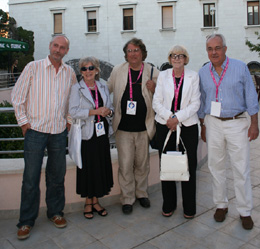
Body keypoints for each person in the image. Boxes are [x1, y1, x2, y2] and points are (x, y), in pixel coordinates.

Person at [11, 35, 77, 240]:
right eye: (55, 46)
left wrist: (68, 120)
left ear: (66, 51)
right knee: (30, 179)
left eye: (62, 47)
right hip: (35, 132)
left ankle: (55, 213)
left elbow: (72, 101)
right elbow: (17, 97)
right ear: (50, 46)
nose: (58, 50)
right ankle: (26, 222)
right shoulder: (33, 67)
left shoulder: (70, 73)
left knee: (57, 177)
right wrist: (24, 123)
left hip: (58, 132)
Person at [198, 33, 259, 230]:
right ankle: (221, 205)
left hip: (236, 123)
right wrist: (203, 125)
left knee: (241, 168)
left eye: (217, 48)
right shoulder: (203, 72)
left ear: (225, 49)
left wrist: (254, 123)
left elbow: (251, 96)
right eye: (210, 49)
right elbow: (202, 101)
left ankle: (245, 211)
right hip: (213, 123)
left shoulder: (240, 67)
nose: (213, 52)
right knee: (216, 167)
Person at [107, 38, 159, 214]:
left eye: (136, 50)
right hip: (123, 128)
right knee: (125, 164)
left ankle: (142, 194)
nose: (133, 54)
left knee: (142, 164)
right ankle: (127, 198)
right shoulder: (118, 70)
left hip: (144, 127)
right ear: (126, 54)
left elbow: (166, 93)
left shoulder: (152, 71)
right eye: (129, 51)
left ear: (142, 53)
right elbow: (106, 89)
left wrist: (156, 87)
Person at [152, 45, 200, 218]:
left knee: (189, 167)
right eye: (173, 55)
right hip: (165, 126)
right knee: (167, 165)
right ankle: (168, 205)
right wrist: (170, 118)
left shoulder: (193, 76)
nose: (177, 58)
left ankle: (189, 208)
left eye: (181, 56)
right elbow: (156, 102)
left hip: (187, 126)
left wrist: (177, 118)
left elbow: (195, 103)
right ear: (170, 58)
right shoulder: (163, 76)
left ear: (186, 59)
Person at [69, 56, 114, 219]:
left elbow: (110, 107)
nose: (88, 71)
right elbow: (73, 112)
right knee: (88, 169)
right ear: (81, 72)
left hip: (101, 134)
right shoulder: (76, 89)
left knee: (99, 168)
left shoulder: (102, 86)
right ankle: (88, 202)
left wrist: (108, 111)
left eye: (91, 68)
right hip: (86, 135)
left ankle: (95, 201)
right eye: (84, 69)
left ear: (96, 70)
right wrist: (94, 112)